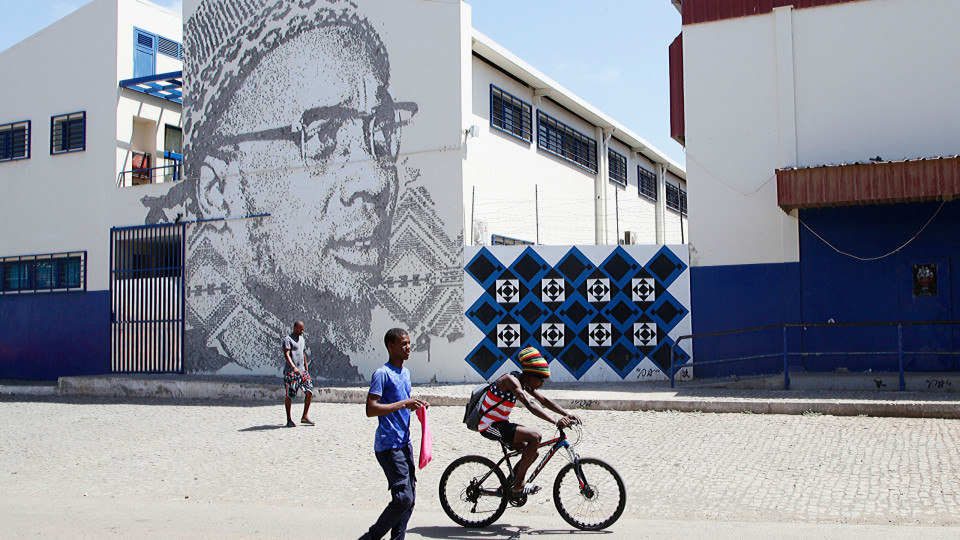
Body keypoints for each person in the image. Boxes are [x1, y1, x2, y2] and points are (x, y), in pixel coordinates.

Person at [141, 0, 418, 378]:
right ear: (218, 191)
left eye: (383, 130)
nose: (377, 181)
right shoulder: (204, 353)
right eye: (323, 135)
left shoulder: (339, 356)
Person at [478, 346, 580, 497]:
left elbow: (543, 400)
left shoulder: (524, 382)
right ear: (531, 375)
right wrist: (555, 420)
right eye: (540, 380)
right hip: (488, 425)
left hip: (502, 424)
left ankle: (508, 485)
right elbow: (530, 403)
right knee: (535, 437)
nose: (542, 384)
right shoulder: (510, 380)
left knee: (533, 452)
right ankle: (519, 486)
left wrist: (568, 413)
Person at [361, 328, 428, 540]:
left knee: (409, 498)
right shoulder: (382, 374)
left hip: (404, 443)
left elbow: (401, 403)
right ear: (391, 346)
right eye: (403, 344)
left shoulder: (405, 373)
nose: (408, 348)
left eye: (409, 343)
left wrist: (415, 405)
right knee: (403, 498)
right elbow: (371, 409)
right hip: (388, 446)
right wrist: (403, 404)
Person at [282, 320, 313, 427]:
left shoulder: (302, 339)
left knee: (309, 391)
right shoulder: (287, 339)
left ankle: (305, 416)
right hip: (291, 372)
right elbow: (286, 354)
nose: (302, 331)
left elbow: (303, 353)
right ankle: (289, 419)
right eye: (301, 329)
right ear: (295, 328)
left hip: (302, 371)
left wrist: (306, 366)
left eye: (303, 329)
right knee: (289, 395)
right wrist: (293, 367)